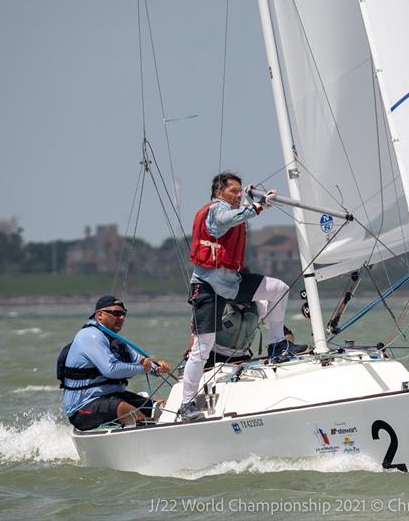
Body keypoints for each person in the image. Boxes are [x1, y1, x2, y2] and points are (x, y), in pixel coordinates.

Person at [181, 172, 304, 420]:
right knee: (202, 347)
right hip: (206, 285)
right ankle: (187, 404)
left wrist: (250, 199)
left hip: (231, 282)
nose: (238, 195)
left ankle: (277, 344)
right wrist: (259, 205)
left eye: (240, 191)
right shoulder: (216, 210)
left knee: (279, 288)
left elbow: (237, 216)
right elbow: (230, 218)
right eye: (233, 191)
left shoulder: (232, 207)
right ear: (219, 193)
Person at [61, 296, 171, 431]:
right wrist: (143, 368)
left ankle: (159, 424)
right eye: (116, 313)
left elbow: (140, 360)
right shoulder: (90, 336)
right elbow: (111, 369)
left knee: (164, 406)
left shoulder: (115, 340)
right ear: (99, 315)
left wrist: (157, 368)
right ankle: (152, 429)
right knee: (123, 408)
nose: (122, 318)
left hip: (111, 397)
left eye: (123, 314)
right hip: (82, 408)